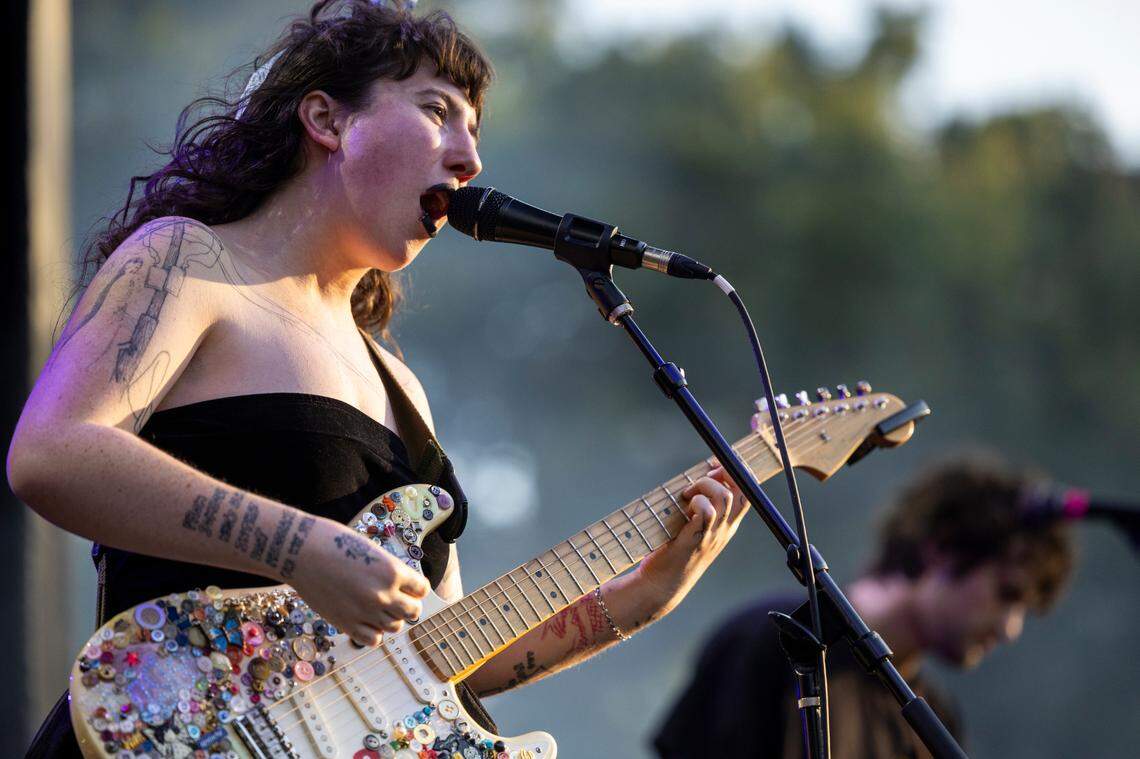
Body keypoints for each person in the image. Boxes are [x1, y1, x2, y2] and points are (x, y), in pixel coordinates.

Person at [7, 2, 750, 755]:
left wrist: (638, 597)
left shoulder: (400, 384)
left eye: (475, 132)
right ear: (327, 120)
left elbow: (437, 652)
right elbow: (53, 451)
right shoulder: (188, 262)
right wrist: (301, 549)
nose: (469, 160)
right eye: (437, 112)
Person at [653, 453, 1075, 759]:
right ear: (942, 550)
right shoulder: (772, 639)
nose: (1010, 628)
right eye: (1006, 594)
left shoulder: (937, 724)